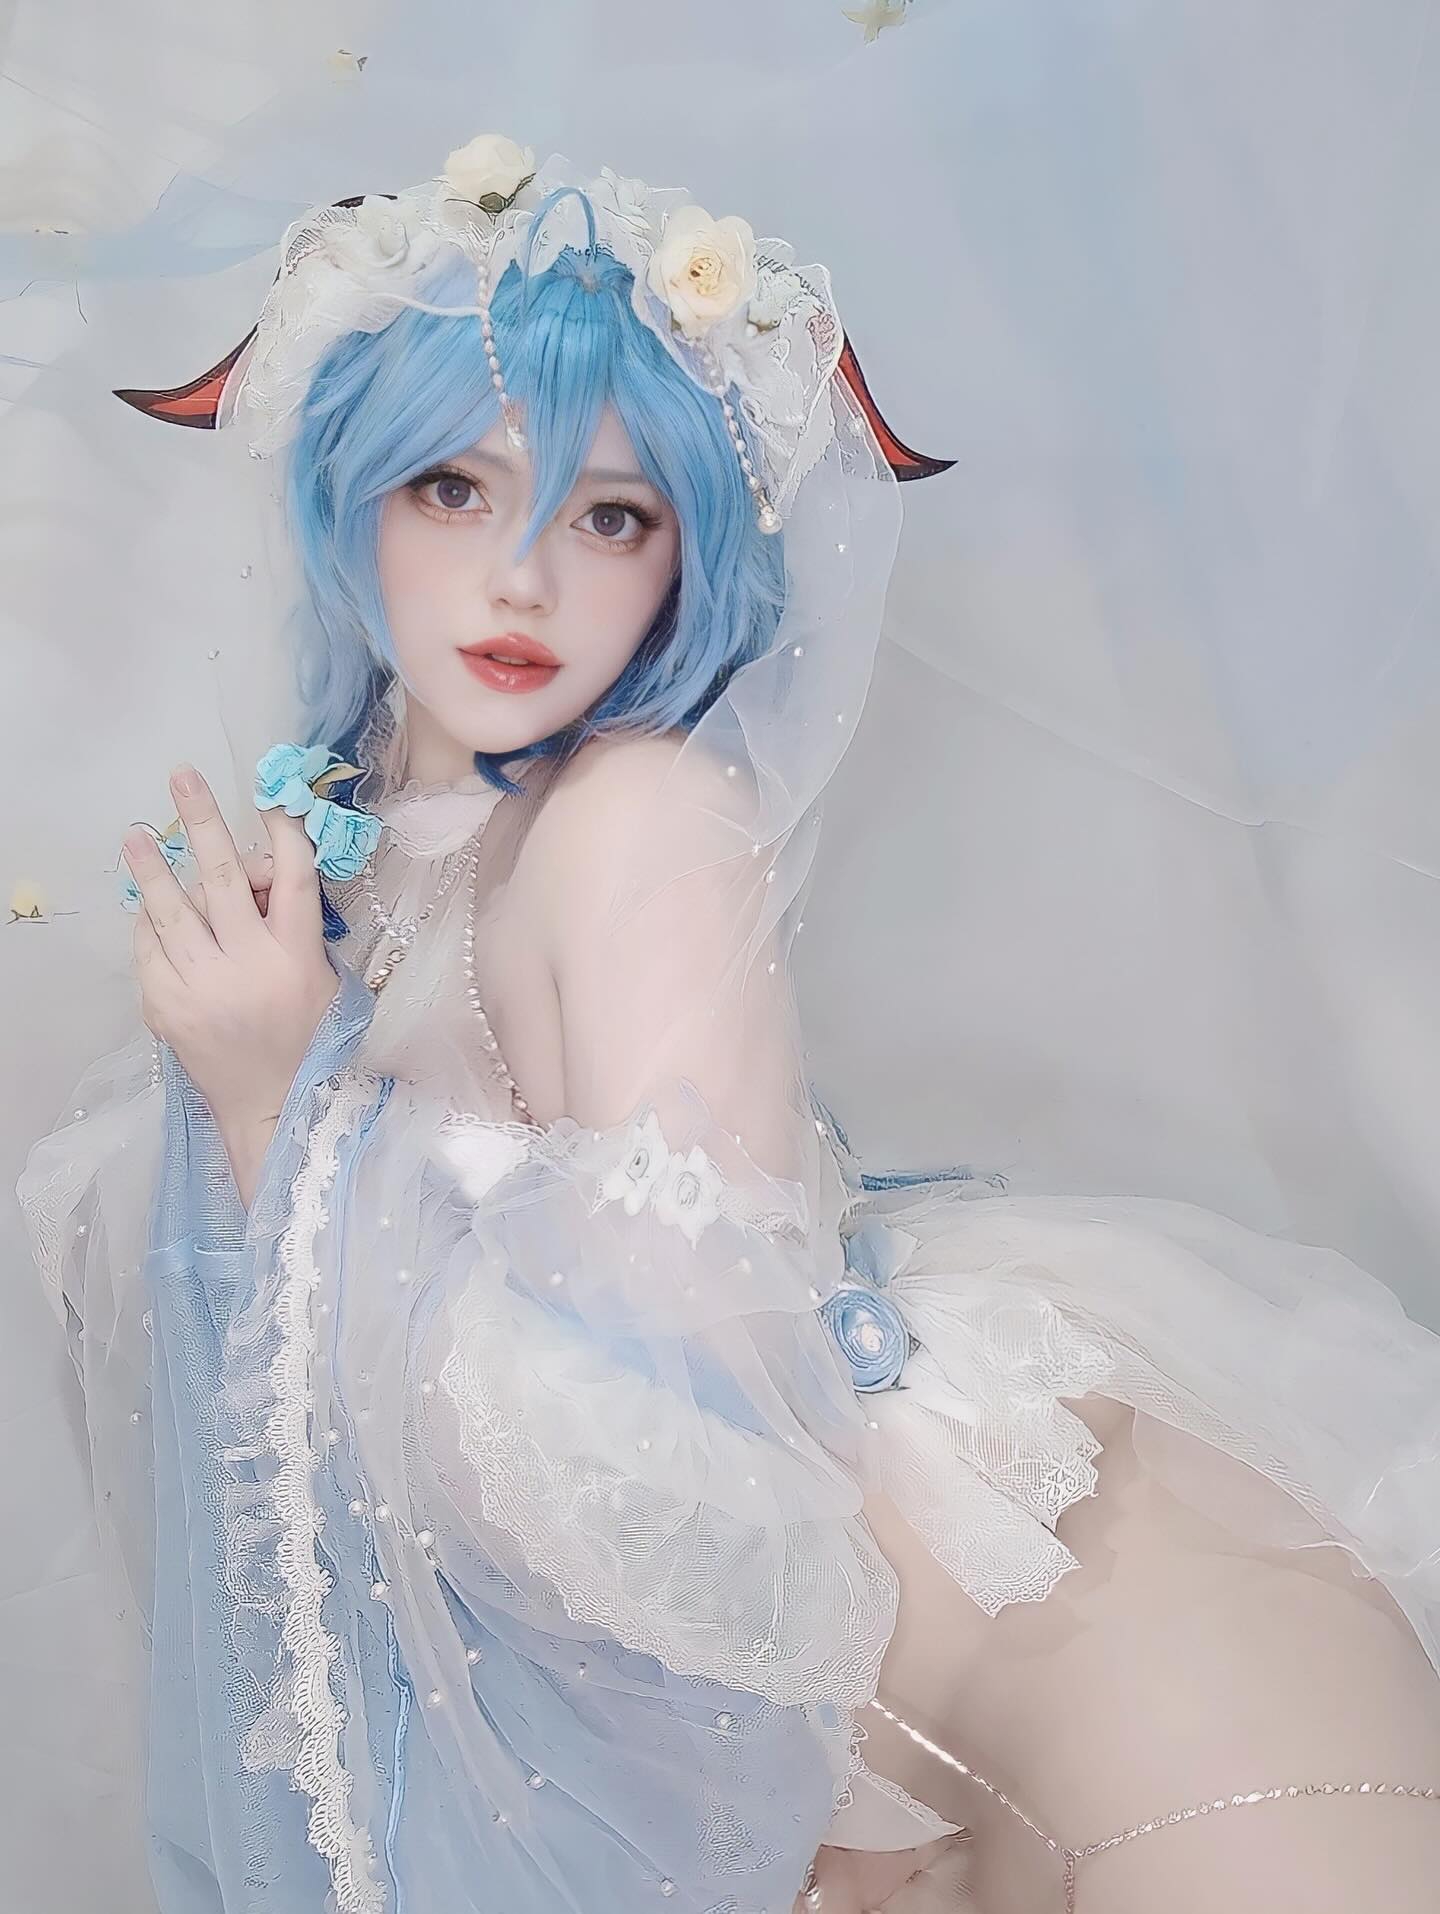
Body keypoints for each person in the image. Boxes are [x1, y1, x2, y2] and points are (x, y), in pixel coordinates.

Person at [16, 136, 1440, 1914]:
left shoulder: (642, 821)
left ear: (687, 552)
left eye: (609, 516)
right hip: (824, 1735)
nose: (522, 579)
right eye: (454, 488)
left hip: (1103, 1656)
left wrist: (273, 1107)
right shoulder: (370, 833)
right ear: (346, 492)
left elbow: (676, 1480)